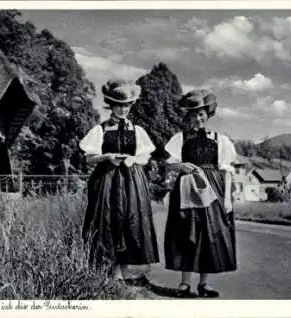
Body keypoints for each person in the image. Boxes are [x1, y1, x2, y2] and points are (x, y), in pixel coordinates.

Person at [79, 79, 159, 286]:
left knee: (130, 222)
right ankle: (114, 274)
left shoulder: (138, 131)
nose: (123, 109)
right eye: (118, 105)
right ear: (111, 105)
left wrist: (134, 159)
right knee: (108, 221)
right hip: (107, 180)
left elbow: (145, 156)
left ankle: (128, 272)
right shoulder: (101, 129)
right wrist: (106, 157)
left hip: (132, 180)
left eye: (126, 105)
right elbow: (89, 158)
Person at [163, 89, 237, 298]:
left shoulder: (220, 139)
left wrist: (228, 198)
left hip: (213, 190)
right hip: (187, 190)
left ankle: (204, 284)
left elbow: (226, 169)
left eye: (201, 113)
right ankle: (184, 284)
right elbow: (170, 165)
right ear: (188, 117)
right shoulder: (180, 138)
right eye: (194, 114)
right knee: (187, 233)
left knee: (210, 236)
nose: (198, 118)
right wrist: (181, 167)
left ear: (207, 114)